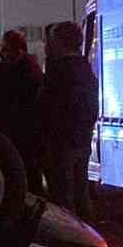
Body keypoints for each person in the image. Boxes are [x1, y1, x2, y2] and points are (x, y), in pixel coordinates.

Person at [38, 21, 99, 220]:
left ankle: (70, 240)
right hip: (81, 138)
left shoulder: (58, 71)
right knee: (81, 189)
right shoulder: (85, 69)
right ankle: (88, 234)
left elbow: (47, 106)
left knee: (62, 195)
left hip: (60, 142)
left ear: (59, 42)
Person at [0, 29, 45, 187]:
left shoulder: (20, 71)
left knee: (28, 171)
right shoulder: (32, 67)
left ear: (16, 50)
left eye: (5, 48)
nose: (1, 53)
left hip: (24, 130)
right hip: (30, 130)